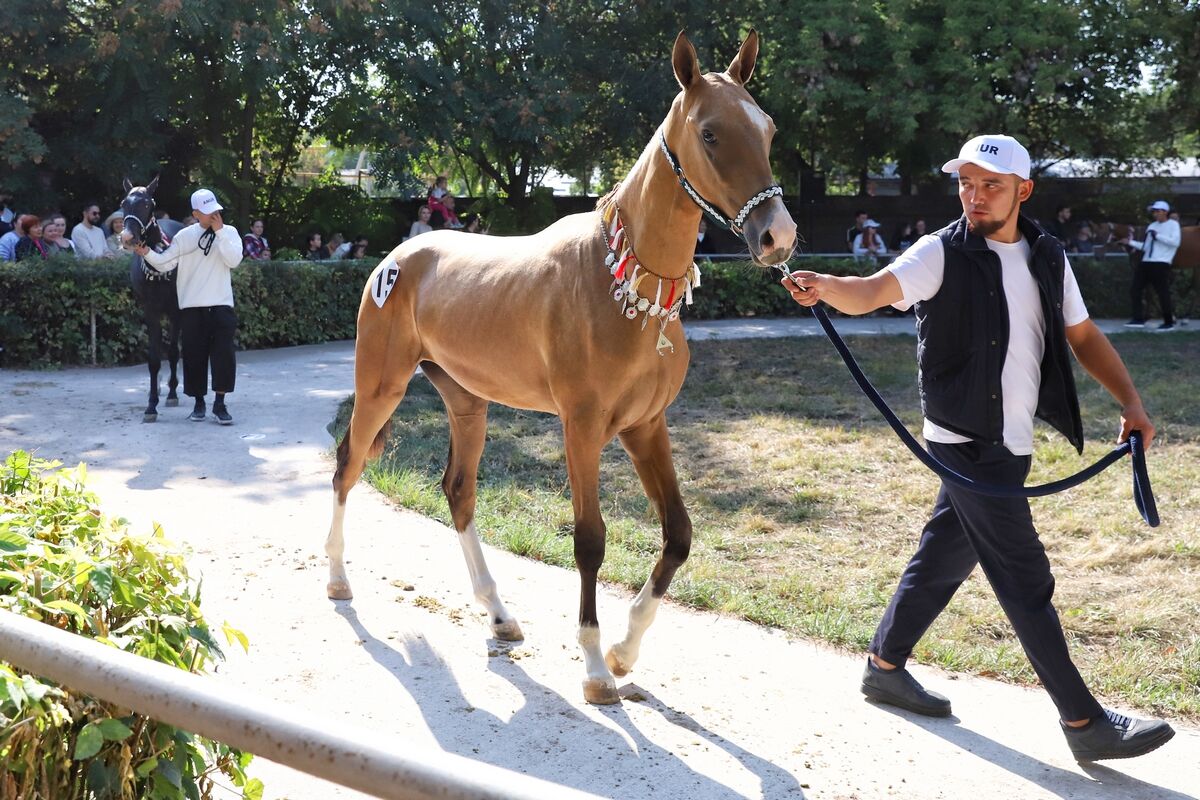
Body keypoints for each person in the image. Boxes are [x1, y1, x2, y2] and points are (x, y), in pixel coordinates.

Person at [781, 133, 1175, 763]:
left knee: (944, 554)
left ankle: (884, 667)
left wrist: (1131, 402)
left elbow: (1081, 334)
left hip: (1011, 441)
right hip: (964, 442)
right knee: (1024, 579)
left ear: (1024, 190)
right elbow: (873, 291)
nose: (975, 195)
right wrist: (826, 284)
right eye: (966, 183)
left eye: (991, 184)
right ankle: (1084, 722)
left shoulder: (1047, 255)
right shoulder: (939, 252)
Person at [134, 189, 243, 425]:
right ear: (195, 214)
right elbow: (165, 263)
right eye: (207, 211)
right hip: (192, 307)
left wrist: (220, 232)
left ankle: (220, 404)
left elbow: (234, 260)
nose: (213, 214)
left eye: (215, 210)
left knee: (224, 357)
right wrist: (147, 253)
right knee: (194, 358)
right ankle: (199, 404)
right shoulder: (184, 236)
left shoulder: (230, 232)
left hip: (221, 305)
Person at [1122, 200, 1180, 331]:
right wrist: (1130, 242)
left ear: (1165, 212)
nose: (1155, 214)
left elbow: (1175, 242)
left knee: (1162, 293)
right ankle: (1138, 319)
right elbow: (1146, 247)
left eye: (1158, 211)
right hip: (1146, 262)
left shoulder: (1173, 225)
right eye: (1154, 212)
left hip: (1161, 263)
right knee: (1135, 290)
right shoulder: (1152, 225)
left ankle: (1169, 322)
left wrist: (1158, 236)